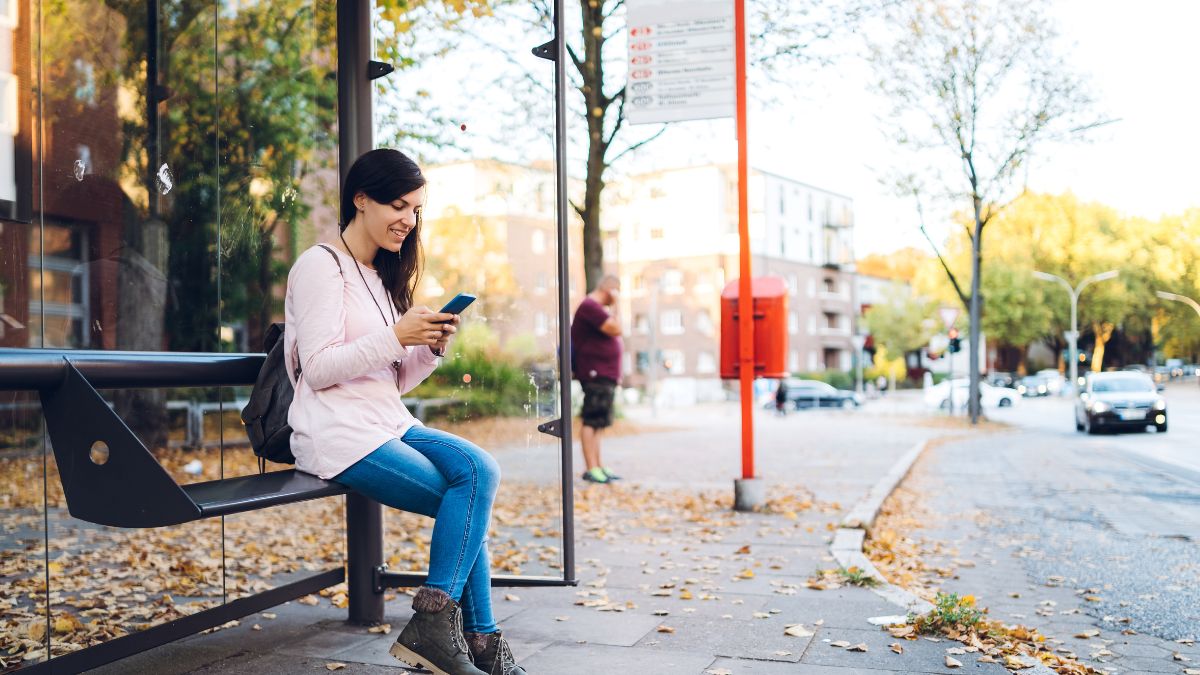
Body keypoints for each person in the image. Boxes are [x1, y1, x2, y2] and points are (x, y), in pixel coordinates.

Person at [285, 149, 524, 675]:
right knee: (463, 508)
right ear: (360, 199)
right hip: (338, 432)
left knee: (480, 471)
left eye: (415, 209)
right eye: (398, 205)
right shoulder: (320, 267)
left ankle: (459, 635)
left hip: (387, 421)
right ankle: (456, 634)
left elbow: (392, 377)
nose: (408, 221)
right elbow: (320, 368)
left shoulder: (380, 276)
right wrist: (396, 334)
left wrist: (427, 347)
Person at [570, 275, 622, 484]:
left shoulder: (595, 309)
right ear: (610, 290)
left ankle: (598, 465)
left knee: (599, 421)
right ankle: (591, 468)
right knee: (591, 419)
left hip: (604, 373)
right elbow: (616, 328)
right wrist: (618, 305)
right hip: (595, 372)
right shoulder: (590, 306)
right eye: (617, 292)